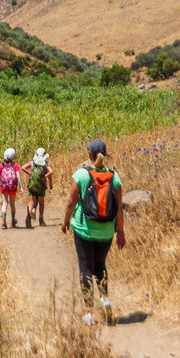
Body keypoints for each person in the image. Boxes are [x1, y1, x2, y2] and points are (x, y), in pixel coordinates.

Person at [61, 138, 125, 324]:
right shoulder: (114, 177)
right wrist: (120, 232)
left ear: (89, 153)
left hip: (84, 229)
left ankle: (88, 312)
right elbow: (119, 208)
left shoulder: (81, 175)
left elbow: (71, 202)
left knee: (86, 268)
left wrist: (65, 222)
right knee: (100, 265)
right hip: (107, 232)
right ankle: (104, 300)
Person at [21, 147, 54, 227]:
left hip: (32, 184)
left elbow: (23, 167)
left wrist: (31, 174)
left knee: (31, 201)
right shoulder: (46, 164)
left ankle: (28, 217)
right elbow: (51, 172)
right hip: (41, 186)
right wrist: (45, 178)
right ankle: (41, 220)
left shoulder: (32, 163)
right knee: (41, 203)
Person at [0, 147, 22, 229]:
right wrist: (21, 187)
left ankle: (4, 223)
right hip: (13, 187)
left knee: (5, 203)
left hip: (4, 187)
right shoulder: (15, 165)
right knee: (12, 204)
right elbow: (18, 176)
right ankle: (13, 221)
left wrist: (1, 182)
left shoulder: (1, 165)